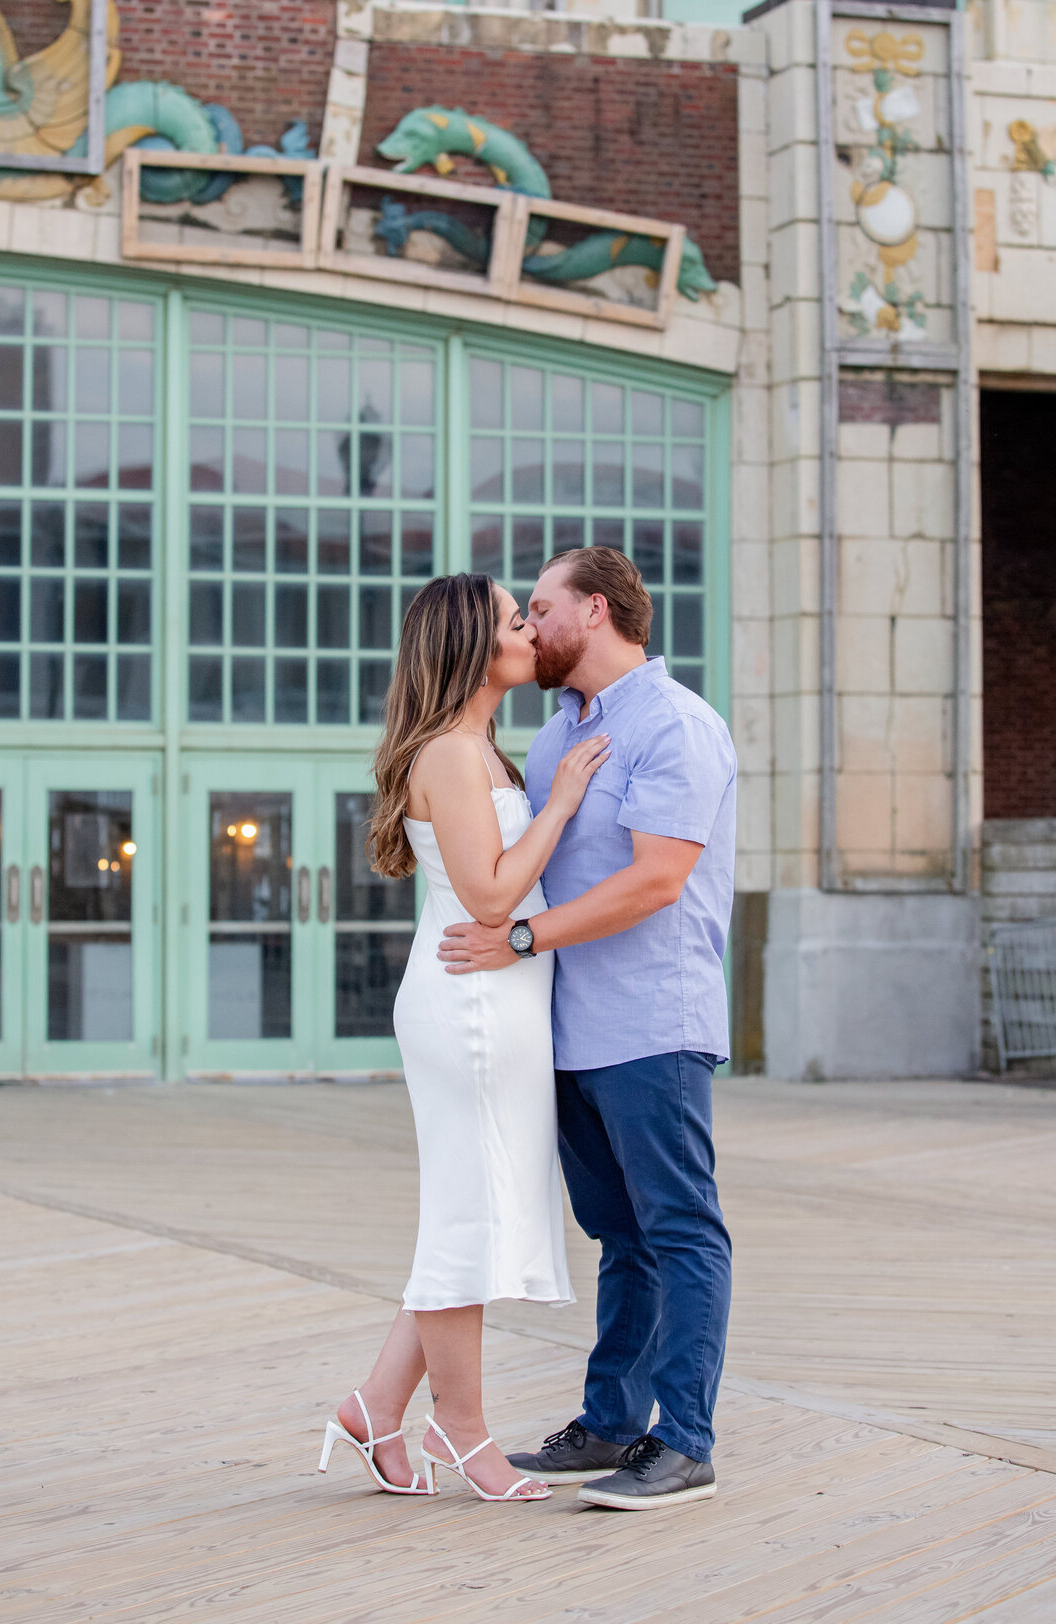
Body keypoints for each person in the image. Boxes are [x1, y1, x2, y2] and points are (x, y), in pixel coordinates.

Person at [439, 546, 737, 1510]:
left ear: (596, 612)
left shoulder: (678, 727)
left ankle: (684, 1440)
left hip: (654, 1022)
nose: (528, 626)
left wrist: (520, 938)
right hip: (569, 1030)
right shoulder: (555, 735)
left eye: (539, 607)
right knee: (619, 1235)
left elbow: (656, 880)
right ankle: (612, 1424)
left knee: (680, 1230)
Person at [318, 572, 610, 1505]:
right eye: (514, 620)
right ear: (473, 649)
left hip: (500, 999)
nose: (530, 631)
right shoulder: (450, 751)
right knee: (462, 1215)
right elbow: (488, 894)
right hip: (474, 1008)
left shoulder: (476, 744)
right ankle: (464, 1430)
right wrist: (561, 802)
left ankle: (375, 1407)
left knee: (467, 1209)